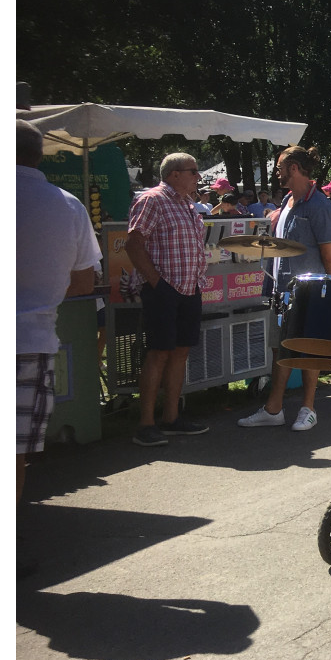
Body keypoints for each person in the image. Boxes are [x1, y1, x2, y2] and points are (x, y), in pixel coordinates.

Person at [17, 121, 101, 493]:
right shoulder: (68, 205)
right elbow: (84, 283)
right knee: (13, 453)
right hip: (31, 340)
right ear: (41, 155)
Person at [238, 146, 331, 432]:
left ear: (294, 168)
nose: (277, 172)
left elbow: (330, 256)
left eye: (280, 166)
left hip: (310, 291)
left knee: (307, 349)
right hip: (282, 290)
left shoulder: (319, 205)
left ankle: (308, 409)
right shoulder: (288, 203)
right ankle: (274, 409)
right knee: (280, 348)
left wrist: (327, 294)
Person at [124, 152, 211, 446]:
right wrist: (156, 283)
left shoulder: (188, 204)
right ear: (174, 174)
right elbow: (134, 244)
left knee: (180, 352)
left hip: (189, 288)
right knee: (159, 352)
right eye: (193, 171)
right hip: (164, 289)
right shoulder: (152, 199)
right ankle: (145, 423)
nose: (198, 176)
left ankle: (171, 418)